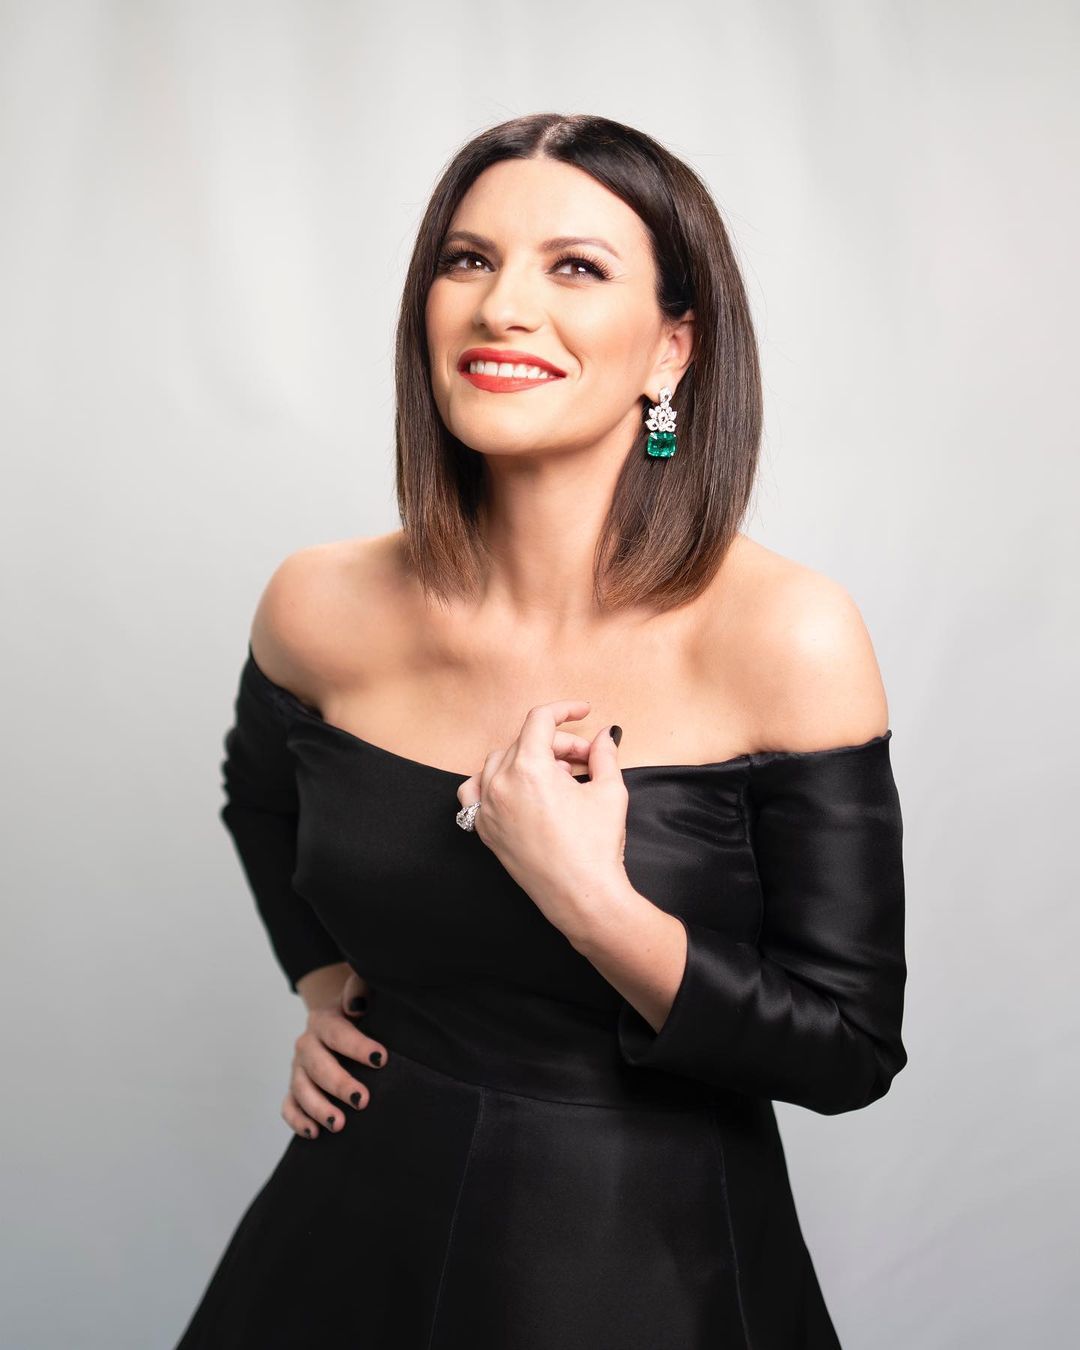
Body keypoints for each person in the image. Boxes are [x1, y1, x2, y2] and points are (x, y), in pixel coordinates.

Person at [174, 112, 908, 1349]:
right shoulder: (318, 603)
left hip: (644, 1277)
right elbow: (260, 799)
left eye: (575, 267)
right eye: (467, 260)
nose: (503, 306)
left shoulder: (790, 635)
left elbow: (848, 1049)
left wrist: (590, 901)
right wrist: (323, 983)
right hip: (342, 1249)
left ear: (671, 348)